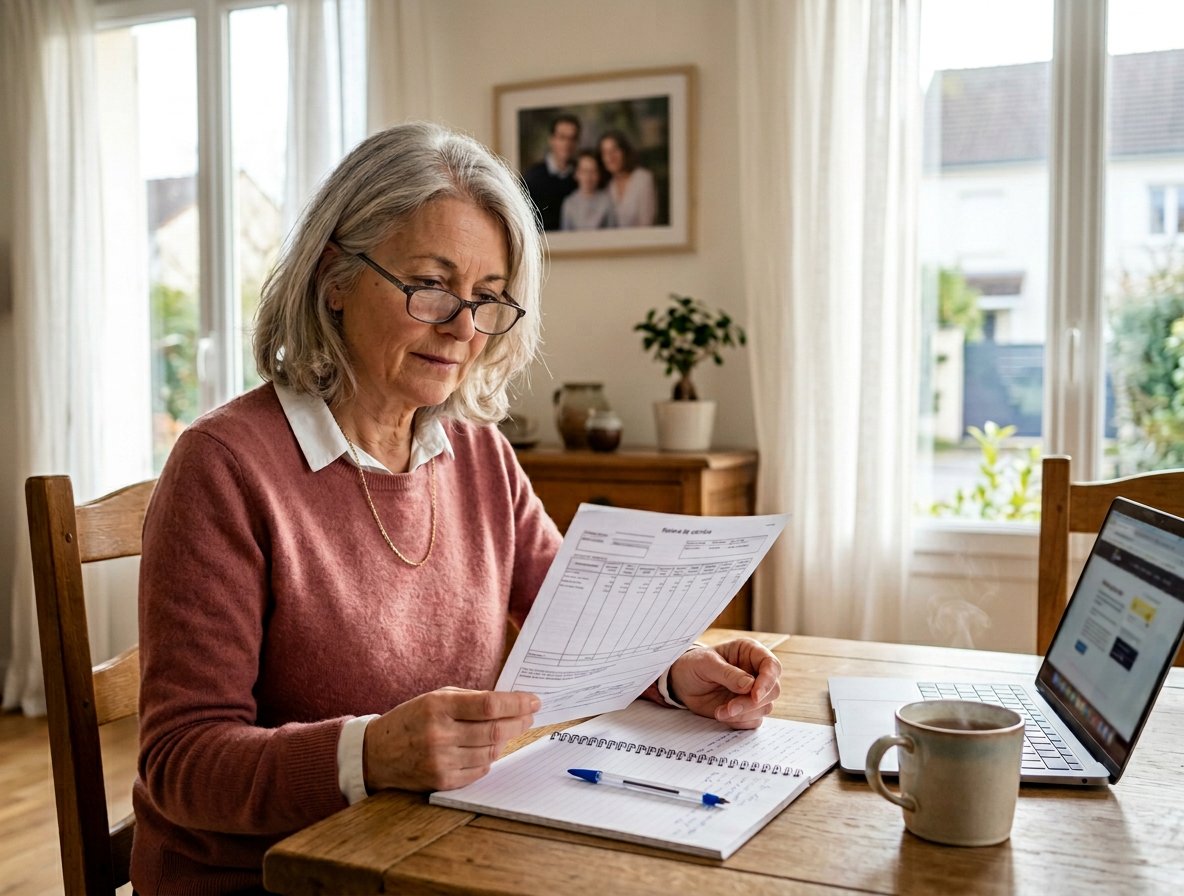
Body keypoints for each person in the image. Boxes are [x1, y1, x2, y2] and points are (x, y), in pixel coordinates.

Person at [131, 121, 782, 894]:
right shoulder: (224, 466)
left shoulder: (477, 454)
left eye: (488, 299)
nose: (462, 328)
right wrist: (370, 754)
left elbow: (582, 620)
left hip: (434, 852)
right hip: (274, 875)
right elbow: (181, 763)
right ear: (333, 276)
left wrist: (680, 670)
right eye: (432, 286)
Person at [521, 113, 579, 231]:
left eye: (572, 138)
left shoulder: (581, 176)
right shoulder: (532, 178)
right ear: (551, 140)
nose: (566, 144)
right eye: (562, 137)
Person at [599, 129, 658, 227]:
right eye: (605, 152)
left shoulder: (643, 178)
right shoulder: (608, 187)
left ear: (624, 152)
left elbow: (647, 225)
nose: (610, 157)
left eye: (614, 150)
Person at [560, 149, 617, 230]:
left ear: (599, 174)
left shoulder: (607, 201)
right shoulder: (569, 203)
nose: (588, 177)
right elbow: (565, 235)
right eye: (584, 171)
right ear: (577, 174)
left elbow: (612, 232)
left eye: (593, 171)